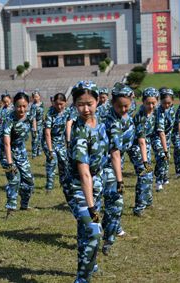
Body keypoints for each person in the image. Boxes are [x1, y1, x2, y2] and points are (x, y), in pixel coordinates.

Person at [65, 81, 109, 283]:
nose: (85, 108)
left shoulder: (99, 123)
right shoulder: (80, 130)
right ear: (74, 105)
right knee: (93, 230)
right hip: (79, 187)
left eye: (89, 103)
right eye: (80, 104)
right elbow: (83, 173)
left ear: (98, 101)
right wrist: (91, 206)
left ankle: (89, 265)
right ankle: (82, 278)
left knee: (85, 232)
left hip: (96, 183)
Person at [101, 84, 135, 255]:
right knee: (116, 203)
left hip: (115, 166)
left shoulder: (127, 118)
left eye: (126, 105)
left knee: (111, 205)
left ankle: (107, 230)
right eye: (119, 106)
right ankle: (108, 240)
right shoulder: (112, 122)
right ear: (112, 103)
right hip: (106, 168)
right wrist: (120, 180)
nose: (123, 109)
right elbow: (114, 153)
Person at [0, 92, 34, 216]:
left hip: (20, 149)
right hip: (6, 152)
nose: (21, 109)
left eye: (24, 106)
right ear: (14, 105)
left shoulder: (29, 115)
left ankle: (24, 205)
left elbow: (32, 123)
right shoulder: (9, 119)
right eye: (19, 106)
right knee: (14, 179)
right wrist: (10, 163)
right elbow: (6, 143)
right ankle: (11, 208)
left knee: (29, 180)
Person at [129, 87, 163, 217]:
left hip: (145, 146)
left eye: (153, 102)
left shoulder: (155, 113)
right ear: (142, 102)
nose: (151, 105)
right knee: (144, 174)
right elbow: (141, 141)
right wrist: (145, 162)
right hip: (136, 147)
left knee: (149, 173)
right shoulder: (140, 117)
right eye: (148, 103)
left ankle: (148, 201)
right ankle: (139, 208)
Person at [43, 93, 70, 193]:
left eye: (61, 104)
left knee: (64, 162)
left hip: (60, 141)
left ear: (65, 103)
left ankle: (64, 184)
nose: (59, 106)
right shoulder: (50, 113)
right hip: (49, 141)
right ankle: (49, 187)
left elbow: (68, 127)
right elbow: (47, 133)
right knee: (52, 162)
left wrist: (68, 142)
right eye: (57, 104)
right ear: (53, 103)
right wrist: (50, 150)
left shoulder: (67, 111)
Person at [151, 88, 175, 192]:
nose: (167, 105)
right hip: (157, 138)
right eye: (164, 103)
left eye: (169, 103)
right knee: (162, 157)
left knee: (165, 160)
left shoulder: (172, 109)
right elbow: (161, 132)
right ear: (161, 101)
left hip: (167, 138)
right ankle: (158, 182)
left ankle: (164, 177)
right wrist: (165, 150)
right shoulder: (159, 111)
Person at [29, 90, 45, 158]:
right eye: (34, 97)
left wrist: (44, 122)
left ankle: (39, 152)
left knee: (40, 138)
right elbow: (33, 118)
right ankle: (34, 153)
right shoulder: (33, 106)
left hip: (41, 124)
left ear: (39, 97)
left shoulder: (42, 104)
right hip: (35, 124)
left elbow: (43, 114)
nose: (36, 98)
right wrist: (34, 128)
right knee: (35, 139)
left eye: (37, 96)